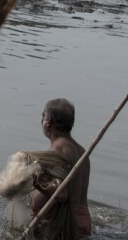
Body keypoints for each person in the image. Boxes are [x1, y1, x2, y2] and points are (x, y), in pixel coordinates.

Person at [27, 98, 93, 239]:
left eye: (43, 117)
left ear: (48, 121)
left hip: (66, 226)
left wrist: (32, 179)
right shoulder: (82, 151)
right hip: (84, 222)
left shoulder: (57, 150)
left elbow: (61, 194)